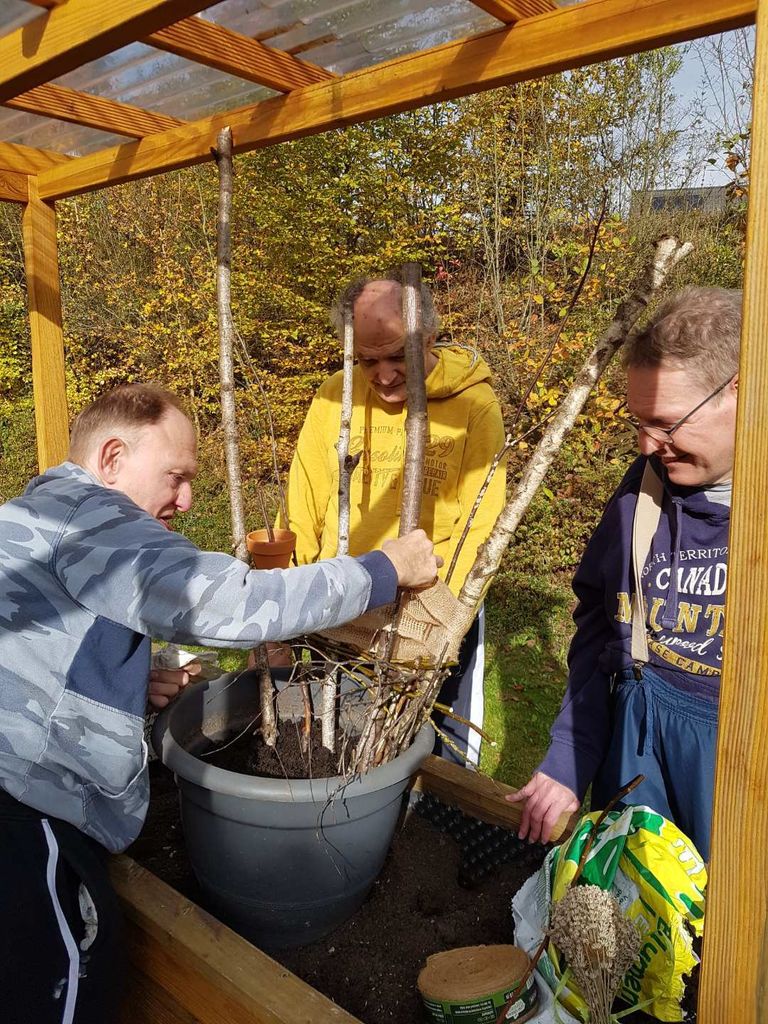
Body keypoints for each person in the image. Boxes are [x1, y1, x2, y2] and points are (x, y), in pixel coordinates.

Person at [0, 383, 440, 1024]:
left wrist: (119, 687)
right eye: (175, 477)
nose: (185, 501)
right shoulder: (93, 517)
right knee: (62, 990)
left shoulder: (30, 517)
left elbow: (39, 647)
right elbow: (228, 604)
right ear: (112, 457)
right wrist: (382, 570)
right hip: (20, 816)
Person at [506, 286, 740, 860]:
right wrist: (572, 752)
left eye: (666, 423)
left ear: (741, 391)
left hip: (738, 769)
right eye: (638, 423)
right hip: (638, 755)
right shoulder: (642, 494)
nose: (646, 444)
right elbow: (600, 625)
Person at [280, 274, 506, 764]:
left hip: (430, 611)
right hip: (342, 607)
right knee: (337, 737)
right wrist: (287, 592)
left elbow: (481, 523)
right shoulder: (334, 397)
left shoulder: (474, 405)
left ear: (429, 338)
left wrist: (441, 619)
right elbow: (304, 499)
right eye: (367, 361)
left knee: (433, 751)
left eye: (397, 356)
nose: (382, 376)